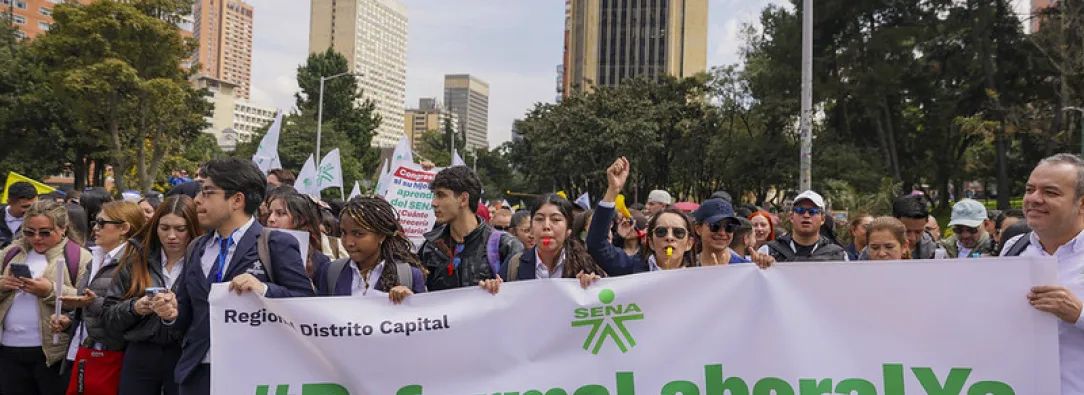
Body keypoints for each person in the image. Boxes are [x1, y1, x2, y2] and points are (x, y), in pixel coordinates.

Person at [148, 158, 315, 395]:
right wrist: (171, 312)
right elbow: (187, 311)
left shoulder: (274, 243)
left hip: (252, 375)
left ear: (237, 199)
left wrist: (264, 290)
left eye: (207, 192)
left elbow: (304, 302)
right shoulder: (197, 247)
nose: (197, 200)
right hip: (197, 374)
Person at [999, 154, 1084, 393]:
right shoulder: (1014, 247)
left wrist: (1078, 314)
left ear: (1082, 204)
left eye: (1050, 192)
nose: (1034, 199)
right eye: (1030, 189)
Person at [99, 196, 199, 395]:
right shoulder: (136, 259)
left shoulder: (204, 261)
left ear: (193, 228)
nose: (172, 236)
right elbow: (107, 317)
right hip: (141, 352)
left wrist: (177, 310)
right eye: (164, 228)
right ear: (155, 227)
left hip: (186, 352)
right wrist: (136, 307)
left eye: (180, 229)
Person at [52, 201, 146, 394]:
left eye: (102, 223)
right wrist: (69, 321)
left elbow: (131, 312)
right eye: (95, 222)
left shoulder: (134, 262)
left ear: (124, 228)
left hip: (112, 357)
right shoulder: (96, 257)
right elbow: (90, 305)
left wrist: (92, 303)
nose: (95, 228)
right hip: (85, 352)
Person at [0, 200, 91, 395]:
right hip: (8, 350)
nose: (36, 238)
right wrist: (2, 286)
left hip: (53, 354)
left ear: (63, 229)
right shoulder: (11, 253)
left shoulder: (79, 257)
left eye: (44, 232)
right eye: (29, 232)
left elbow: (88, 299)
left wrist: (50, 291)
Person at [417, 166, 523, 292]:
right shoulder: (430, 247)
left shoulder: (505, 246)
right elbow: (417, 294)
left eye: (441, 195)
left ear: (463, 199)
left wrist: (499, 289)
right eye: (434, 195)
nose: (433, 203)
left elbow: (521, 297)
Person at [313, 197, 426, 301]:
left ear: (381, 235)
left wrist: (410, 301)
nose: (348, 242)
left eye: (358, 234)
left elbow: (420, 319)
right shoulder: (331, 272)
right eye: (343, 233)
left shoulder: (408, 275)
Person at [495, 193, 605, 285]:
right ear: (531, 228)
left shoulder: (586, 264)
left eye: (556, 219)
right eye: (539, 219)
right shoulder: (513, 265)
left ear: (568, 230)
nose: (546, 226)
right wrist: (492, 289)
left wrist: (592, 286)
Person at [759, 191, 846, 262]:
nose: (806, 215)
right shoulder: (769, 252)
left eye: (813, 211)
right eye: (800, 210)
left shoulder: (838, 255)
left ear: (822, 219)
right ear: (791, 217)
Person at [266, 191, 331, 278]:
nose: (271, 219)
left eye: (280, 213)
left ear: (301, 219)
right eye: (270, 213)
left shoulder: (320, 262)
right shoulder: (257, 250)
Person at [692, 198, 754, 266]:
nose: (722, 233)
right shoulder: (687, 268)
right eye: (715, 226)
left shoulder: (745, 268)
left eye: (729, 227)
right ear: (698, 229)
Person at [888, 195, 938, 260]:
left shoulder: (933, 250)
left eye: (918, 232)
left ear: (926, 223)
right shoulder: (875, 248)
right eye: (906, 231)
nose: (912, 238)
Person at [2, 181, 39, 249]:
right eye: (25, 206)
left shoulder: (42, 219)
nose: (31, 210)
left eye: (34, 205)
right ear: (9, 202)